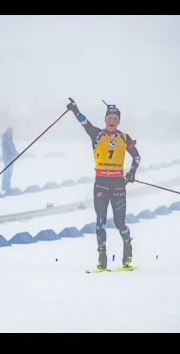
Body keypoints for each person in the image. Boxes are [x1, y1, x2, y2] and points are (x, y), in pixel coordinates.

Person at [66, 100, 141, 270]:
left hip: (118, 185)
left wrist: (131, 173)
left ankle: (127, 250)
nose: (112, 120)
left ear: (119, 121)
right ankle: (102, 258)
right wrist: (75, 110)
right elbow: (84, 123)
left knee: (120, 223)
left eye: (115, 118)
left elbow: (137, 157)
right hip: (101, 184)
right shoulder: (97, 135)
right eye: (110, 117)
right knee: (100, 222)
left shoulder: (124, 137)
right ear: (105, 119)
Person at [1, 127, 18, 192]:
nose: (11, 133)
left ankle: (6, 186)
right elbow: (10, 148)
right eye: (10, 131)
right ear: (7, 131)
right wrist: (15, 153)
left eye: (12, 132)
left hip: (10, 158)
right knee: (7, 172)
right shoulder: (7, 139)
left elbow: (12, 148)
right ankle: (6, 186)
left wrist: (15, 153)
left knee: (9, 172)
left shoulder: (9, 139)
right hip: (8, 158)